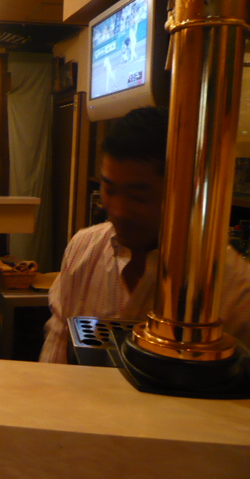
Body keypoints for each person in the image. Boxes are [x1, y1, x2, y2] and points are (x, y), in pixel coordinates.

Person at [39, 107, 250, 363]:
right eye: (110, 190)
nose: (118, 210)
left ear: (183, 191)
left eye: (139, 196)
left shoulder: (233, 285)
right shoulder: (84, 247)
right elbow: (59, 338)